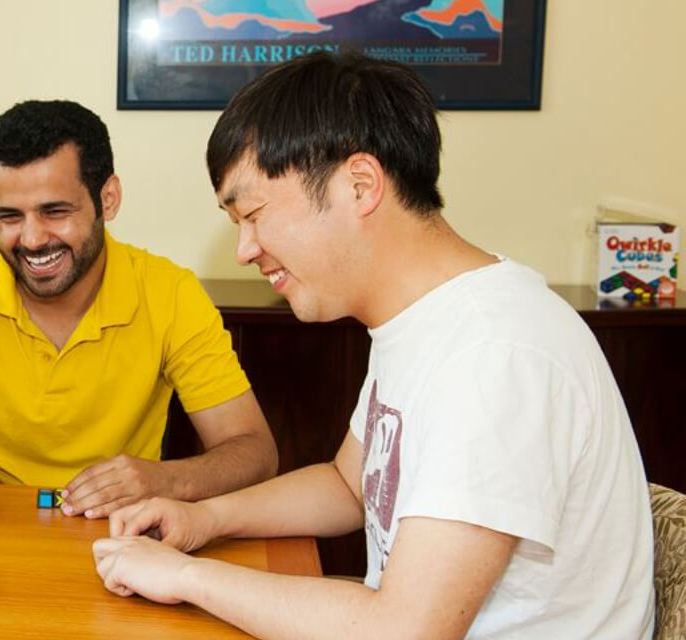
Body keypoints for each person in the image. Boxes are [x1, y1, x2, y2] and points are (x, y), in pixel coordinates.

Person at [92, 51, 656, 638]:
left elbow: (405, 630)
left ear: (360, 185)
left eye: (254, 214)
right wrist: (202, 519)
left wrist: (185, 577)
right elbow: (348, 485)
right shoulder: (422, 321)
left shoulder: (495, 353)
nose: (244, 249)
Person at [0, 100, 278, 519]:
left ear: (108, 199)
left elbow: (254, 450)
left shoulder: (171, 293)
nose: (33, 239)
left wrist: (165, 480)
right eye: (9, 216)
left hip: (116, 532)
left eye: (54, 211)